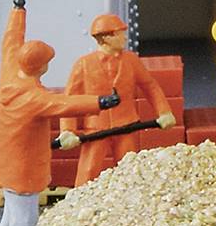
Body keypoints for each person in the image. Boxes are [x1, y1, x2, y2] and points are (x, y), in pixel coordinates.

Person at [0, 0, 117, 226]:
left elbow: (10, 40)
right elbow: (64, 103)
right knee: (24, 220)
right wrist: (100, 102)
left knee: (9, 216)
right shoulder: (33, 97)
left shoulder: (10, 70)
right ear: (40, 68)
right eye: (47, 63)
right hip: (25, 169)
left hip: (7, 163)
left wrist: (18, 7)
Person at [63, 12, 176, 182]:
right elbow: (70, 100)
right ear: (106, 37)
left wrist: (164, 112)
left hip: (126, 126)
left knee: (129, 169)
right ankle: (78, 204)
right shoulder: (83, 64)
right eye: (119, 33)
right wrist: (67, 130)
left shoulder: (131, 60)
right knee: (88, 171)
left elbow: (150, 86)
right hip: (96, 129)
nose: (124, 37)